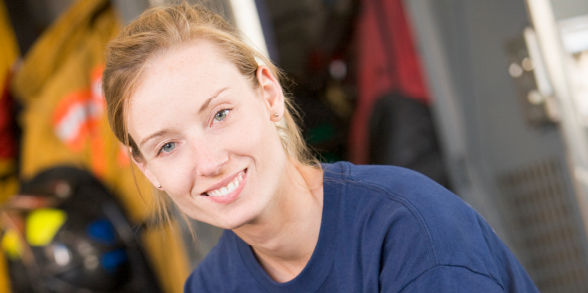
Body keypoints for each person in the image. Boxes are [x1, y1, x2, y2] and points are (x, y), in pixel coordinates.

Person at [102, 3, 539, 292]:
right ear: (147, 169)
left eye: (220, 115)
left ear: (268, 95)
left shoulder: (409, 232)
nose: (210, 162)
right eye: (168, 147)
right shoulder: (211, 286)